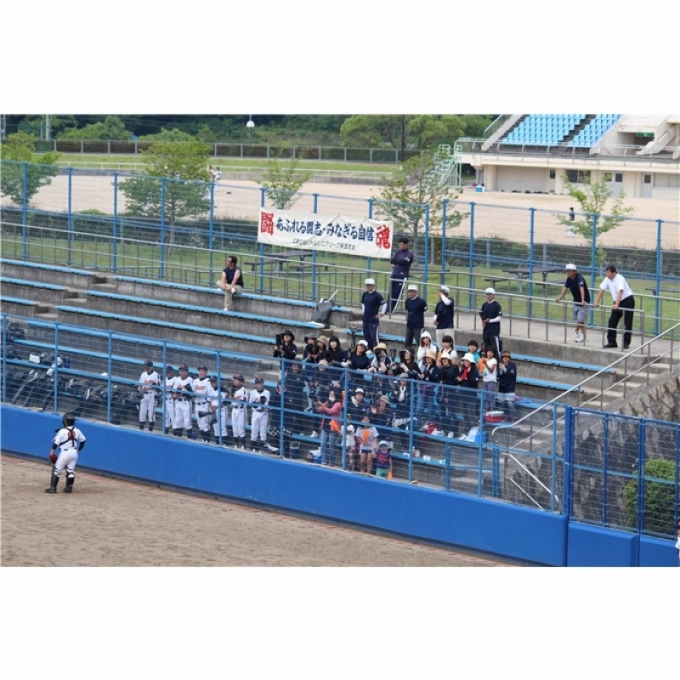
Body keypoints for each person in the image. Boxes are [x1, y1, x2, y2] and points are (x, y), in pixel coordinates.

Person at [594, 265, 636, 350]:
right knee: (612, 321)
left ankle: (626, 342)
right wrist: (597, 301)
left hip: (627, 300)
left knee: (627, 322)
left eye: (608, 272)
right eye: (606, 272)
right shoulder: (607, 279)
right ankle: (612, 342)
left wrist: (617, 304)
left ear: (614, 273)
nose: (607, 274)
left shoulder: (620, 278)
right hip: (617, 301)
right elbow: (602, 290)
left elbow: (620, 291)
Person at [45, 413, 87, 494]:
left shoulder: (62, 431)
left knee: (56, 471)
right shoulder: (77, 430)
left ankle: (53, 488)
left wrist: (52, 452)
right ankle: (68, 488)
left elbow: (55, 443)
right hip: (74, 453)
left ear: (65, 422)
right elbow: (83, 440)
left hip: (65, 453)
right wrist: (79, 449)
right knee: (70, 471)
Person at [555, 263, 591, 344]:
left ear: (574, 271)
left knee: (580, 321)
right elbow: (565, 288)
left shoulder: (579, 278)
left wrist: (583, 300)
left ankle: (578, 332)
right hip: (575, 302)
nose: (567, 273)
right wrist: (560, 297)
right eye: (566, 271)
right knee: (580, 321)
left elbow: (581, 288)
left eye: (569, 271)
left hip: (584, 303)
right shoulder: (569, 279)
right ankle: (582, 336)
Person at [314, 387, 343, 466]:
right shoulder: (327, 402)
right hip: (325, 426)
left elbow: (331, 411)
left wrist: (321, 405)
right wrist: (316, 404)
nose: (331, 396)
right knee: (323, 444)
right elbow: (319, 410)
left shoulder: (338, 404)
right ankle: (324, 461)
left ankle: (331, 462)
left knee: (331, 445)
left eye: (332, 394)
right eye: (330, 394)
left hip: (333, 427)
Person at [456, 352, 480, 433]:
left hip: (471, 396)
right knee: (465, 415)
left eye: (467, 361)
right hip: (462, 394)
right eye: (464, 361)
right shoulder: (463, 370)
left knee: (471, 415)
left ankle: (473, 432)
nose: (465, 362)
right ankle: (466, 432)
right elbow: (458, 380)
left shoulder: (475, 371)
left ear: (471, 362)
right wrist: (459, 379)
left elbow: (474, 382)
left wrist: (467, 376)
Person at [389, 236, 414, 313]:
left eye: (402, 245)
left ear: (406, 245)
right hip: (394, 274)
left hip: (402, 276)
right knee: (391, 292)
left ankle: (392, 310)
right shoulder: (398, 252)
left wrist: (397, 262)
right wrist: (399, 262)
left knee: (397, 293)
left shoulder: (409, 254)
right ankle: (387, 308)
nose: (400, 246)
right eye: (399, 245)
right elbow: (392, 260)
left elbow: (405, 262)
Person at [361, 278, 387, 350]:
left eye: (369, 285)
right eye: (367, 285)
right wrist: (363, 311)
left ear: (373, 286)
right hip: (365, 320)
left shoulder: (377, 295)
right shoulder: (365, 294)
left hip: (373, 320)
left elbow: (384, 304)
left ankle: (377, 351)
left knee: (374, 338)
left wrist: (381, 314)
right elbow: (362, 303)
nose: (368, 287)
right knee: (366, 336)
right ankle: (369, 351)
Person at [248, 377, 271, 451]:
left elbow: (267, 404)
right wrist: (256, 404)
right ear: (255, 385)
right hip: (255, 413)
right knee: (254, 431)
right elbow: (250, 403)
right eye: (258, 383)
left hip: (264, 413)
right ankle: (253, 448)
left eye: (261, 383)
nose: (260, 384)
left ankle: (262, 449)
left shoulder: (267, 392)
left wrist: (263, 406)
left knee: (263, 432)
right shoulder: (252, 392)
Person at [138, 360, 160, 432]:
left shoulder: (156, 375)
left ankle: (150, 431)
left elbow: (158, 388)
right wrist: (140, 391)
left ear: (152, 367)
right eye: (145, 367)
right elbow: (139, 385)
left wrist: (149, 387)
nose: (146, 369)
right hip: (144, 394)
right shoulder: (143, 374)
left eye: (148, 367)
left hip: (152, 395)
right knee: (142, 413)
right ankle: (141, 430)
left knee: (151, 414)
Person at [173, 364, 195, 438]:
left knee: (187, 422)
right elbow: (174, 391)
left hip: (186, 402)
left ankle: (189, 439)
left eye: (184, 370)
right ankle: (178, 438)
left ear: (187, 372)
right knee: (178, 421)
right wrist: (175, 395)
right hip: (178, 402)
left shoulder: (190, 380)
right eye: (181, 370)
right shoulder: (177, 379)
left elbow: (192, 393)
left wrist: (183, 393)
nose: (182, 372)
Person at [480, 287, 502, 358]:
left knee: (495, 348)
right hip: (486, 330)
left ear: (493, 295)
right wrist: (483, 322)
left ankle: (497, 360)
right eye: (487, 294)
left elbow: (499, 318)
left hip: (494, 330)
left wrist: (489, 320)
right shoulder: (484, 305)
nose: (488, 296)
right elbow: (482, 315)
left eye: (489, 294)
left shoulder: (497, 305)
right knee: (486, 347)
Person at [403, 284, 428, 349]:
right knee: (407, 343)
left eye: (412, 291)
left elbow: (426, 312)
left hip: (418, 326)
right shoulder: (407, 300)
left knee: (420, 342)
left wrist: (419, 317)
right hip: (409, 325)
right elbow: (407, 311)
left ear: (416, 292)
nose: (411, 293)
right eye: (409, 291)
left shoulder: (421, 301)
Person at [209, 375, 229, 445]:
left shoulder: (223, 389)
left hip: (222, 410)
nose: (212, 383)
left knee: (222, 428)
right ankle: (218, 443)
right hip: (214, 410)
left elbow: (225, 401)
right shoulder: (210, 389)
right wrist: (212, 408)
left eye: (213, 382)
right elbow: (209, 400)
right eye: (211, 382)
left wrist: (216, 407)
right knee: (216, 428)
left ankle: (225, 444)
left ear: (217, 382)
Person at [497, 350, 518, 420]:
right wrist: (501, 370)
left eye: (507, 357)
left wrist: (504, 369)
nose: (505, 358)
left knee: (510, 403)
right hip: (502, 388)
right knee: (502, 404)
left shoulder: (513, 365)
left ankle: (514, 417)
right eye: (504, 357)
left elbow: (512, 374)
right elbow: (499, 376)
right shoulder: (500, 365)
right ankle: (505, 416)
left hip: (510, 388)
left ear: (509, 358)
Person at [230, 374, 249, 449]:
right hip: (234, 410)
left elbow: (244, 402)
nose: (235, 381)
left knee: (241, 429)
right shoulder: (233, 389)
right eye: (235, 380)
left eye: (237, 380)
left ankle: (243, 445)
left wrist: (235, 398)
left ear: (242, 382)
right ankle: (236, 444)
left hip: (241, 410)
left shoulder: (244, 391)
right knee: (234, 428)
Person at [163, 365, 179, 435]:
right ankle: (165, 434)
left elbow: (174, 391)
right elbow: (162, 389)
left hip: (171, 401)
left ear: (172, 372)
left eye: (168, 372)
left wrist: (168, 391)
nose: (167, 374)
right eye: (166, 372)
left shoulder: (176, 380)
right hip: (165, 399)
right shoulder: (165, 379)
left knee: (173, 418)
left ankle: (175, 435)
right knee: (166, 417)